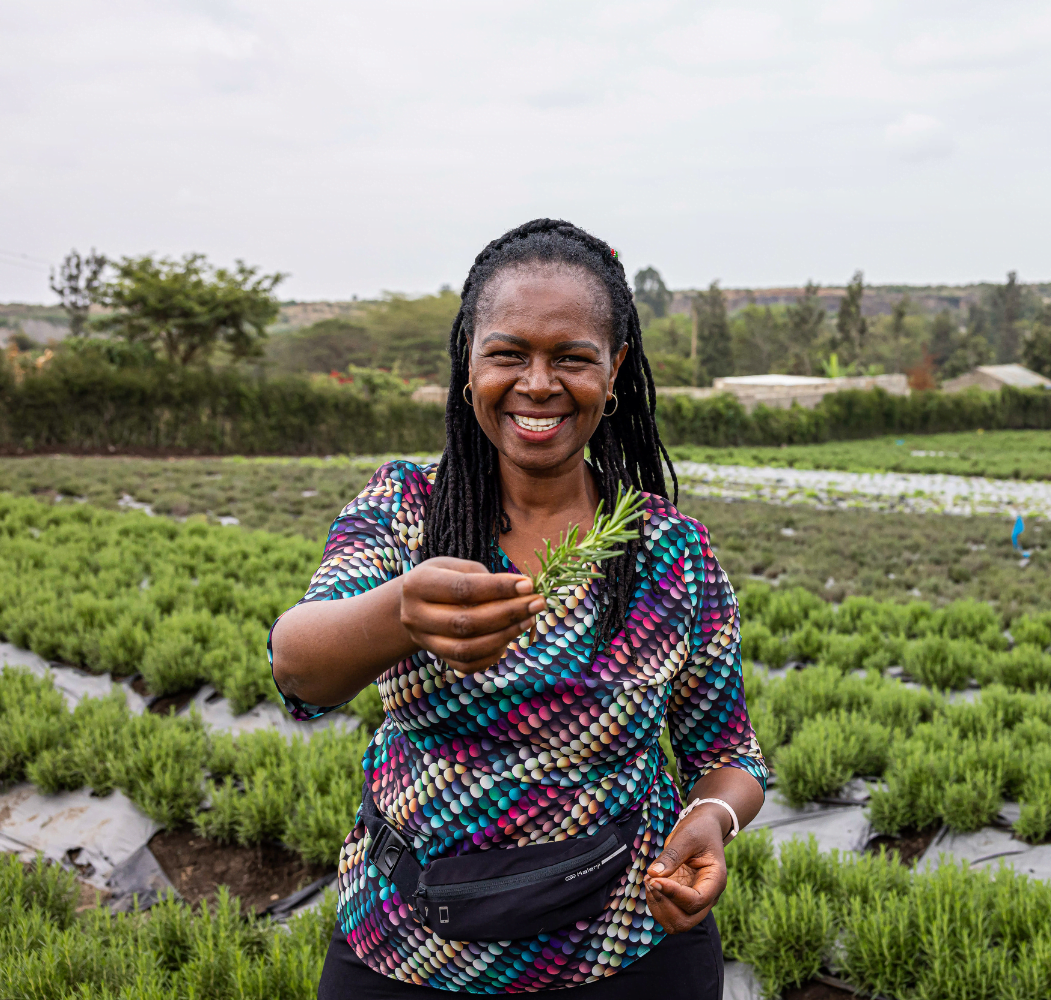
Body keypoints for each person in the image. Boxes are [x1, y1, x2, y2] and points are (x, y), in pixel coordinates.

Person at [269, 219, 767, 998]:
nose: (539, 384)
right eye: (509, 354)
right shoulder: (408, 512)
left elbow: (727, 755)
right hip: (410, 950)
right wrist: (401, 611)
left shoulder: (669, 552)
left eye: (572, 357)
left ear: (615, 371)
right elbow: (298, 668)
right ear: (470, 361)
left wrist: (710, 822)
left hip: (627, 948)